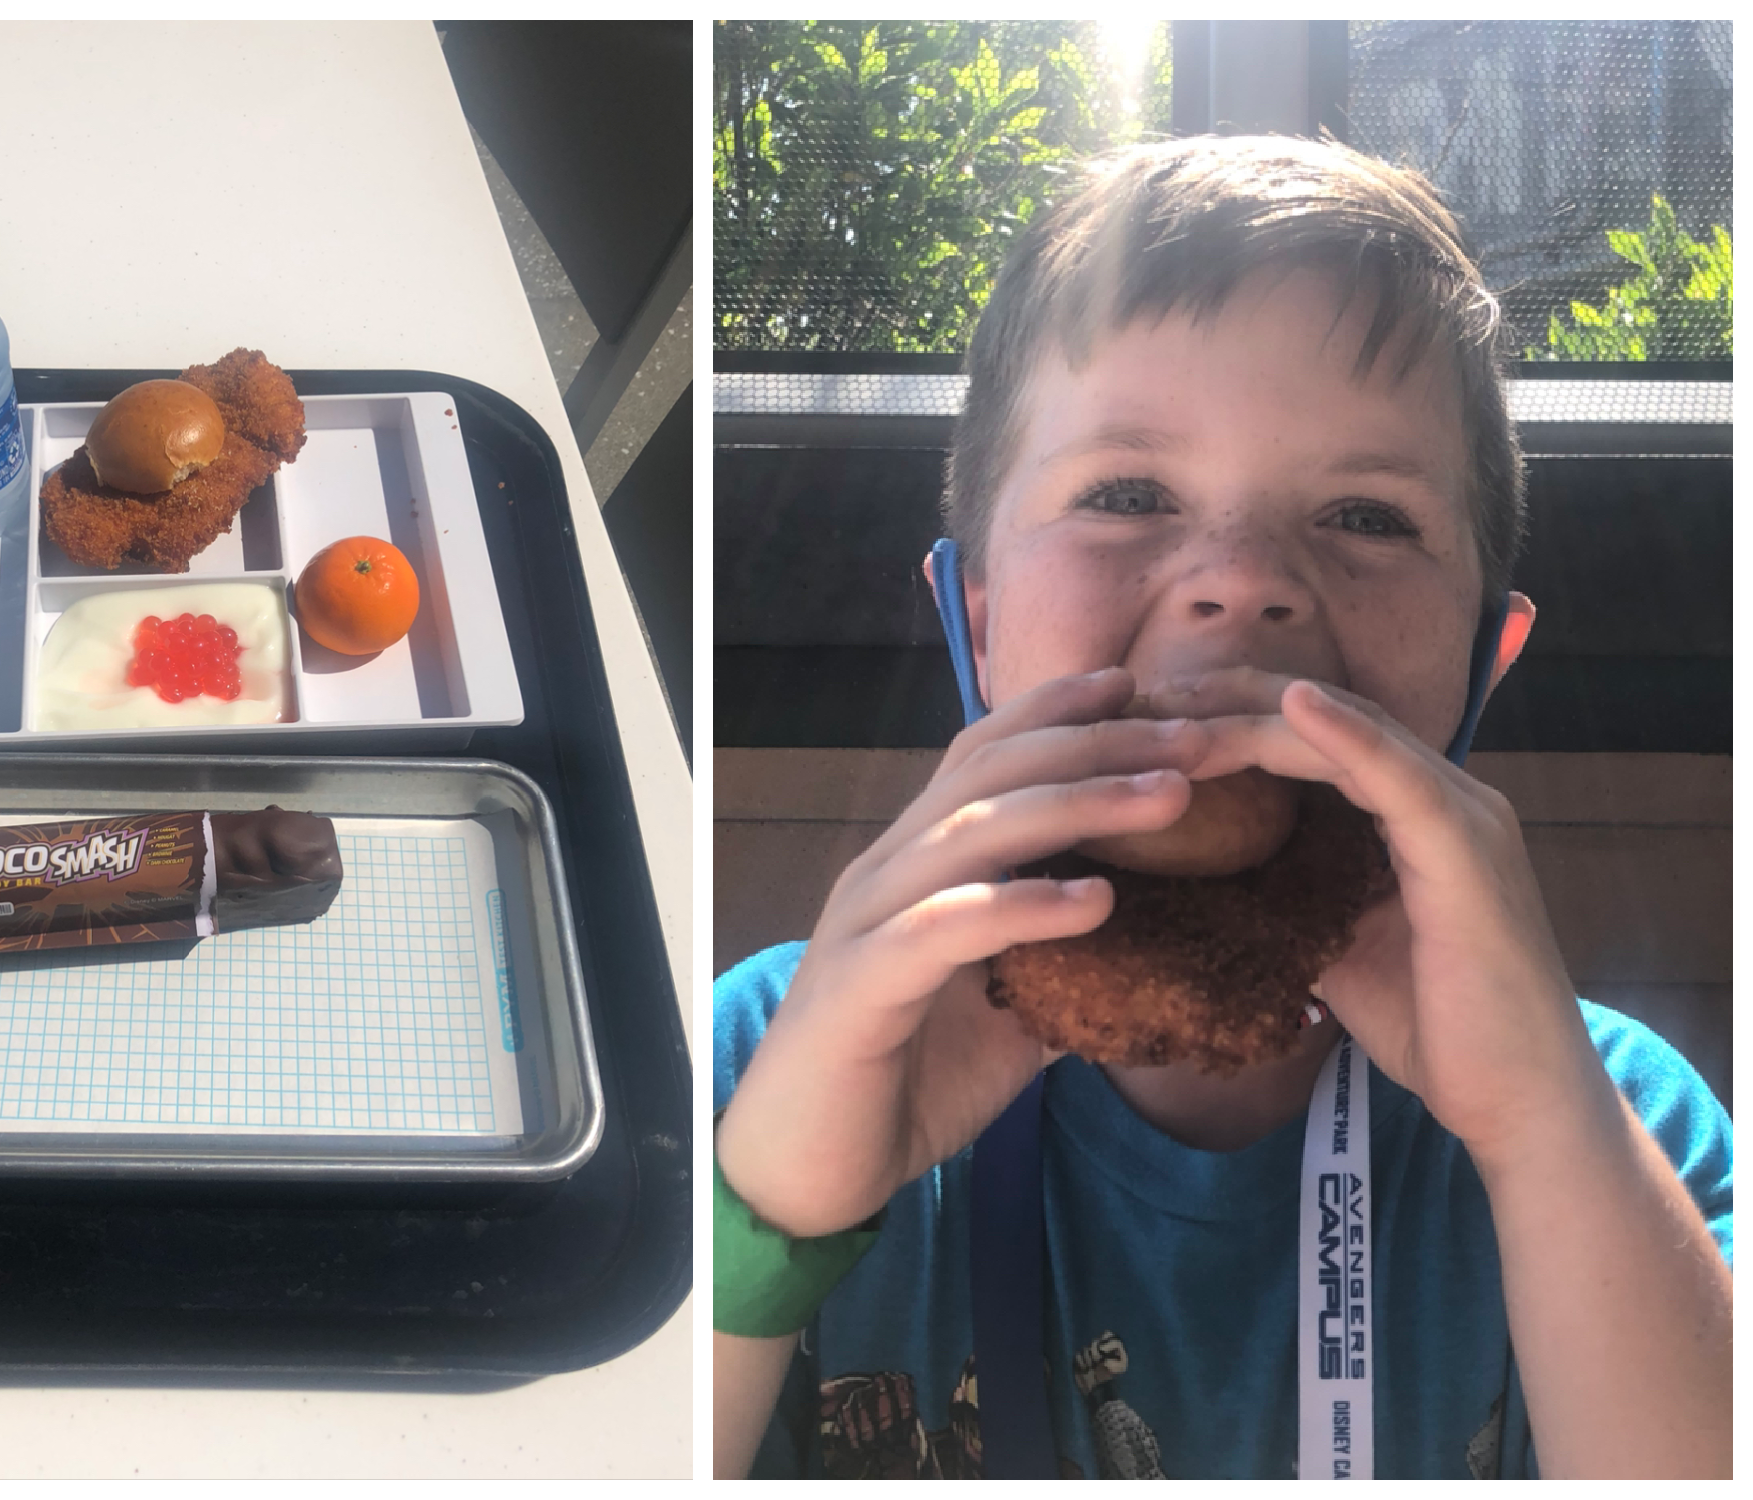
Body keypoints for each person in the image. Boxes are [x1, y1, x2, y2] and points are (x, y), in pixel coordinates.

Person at [712, 136, 1732, 1480]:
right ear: (978, 620)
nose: (1241, 583)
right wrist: (772, 1218)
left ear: (1485, 662)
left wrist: (1543, 1136)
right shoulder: (781, 1056)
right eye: (1127, 494)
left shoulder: (1616, 1119)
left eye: (1366, 515)